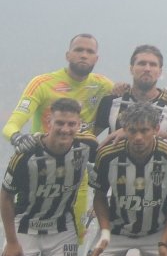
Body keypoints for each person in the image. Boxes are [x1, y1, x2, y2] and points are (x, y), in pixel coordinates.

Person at [3, 34, 123, 239]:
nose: (84, 55)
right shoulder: (42, 83)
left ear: (96, 59)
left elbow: (130, 106)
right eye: (79, 50)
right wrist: (17, 138)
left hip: (76, 171)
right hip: (39, 168)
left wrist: (122, 90)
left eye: (89, 51)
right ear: (68, 55)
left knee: (76, 235)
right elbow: (11, 125)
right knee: (25, 230)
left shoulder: (103, 85)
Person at [86, 103, 167, 256]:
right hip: (115, 232)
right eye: (132, 131)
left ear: (156, 129)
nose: (138, 137)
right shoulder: (107, 155)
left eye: (144, 130)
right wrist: (104, 232)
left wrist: (164, 241)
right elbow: (99, 197)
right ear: (124, 130)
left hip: (158, 232)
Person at [1, 98, 98, 256]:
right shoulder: (25, 154)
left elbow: (112, 155)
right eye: (60, 123)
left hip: (62, 228)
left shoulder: (88, 144)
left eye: (71, 124)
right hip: (24, 227)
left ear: (79, 124)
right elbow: (5, 196)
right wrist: (11, 241)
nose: (65, 129)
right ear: (49, 122)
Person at [92, 44, 167, 141]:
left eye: (153, 65)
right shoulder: (110, 102)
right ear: (131, 69)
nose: (147, 69)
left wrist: (158, 134)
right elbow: (92, 137)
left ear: (160, 72)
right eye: (142, 63)